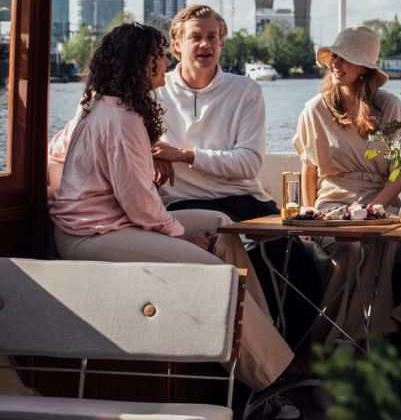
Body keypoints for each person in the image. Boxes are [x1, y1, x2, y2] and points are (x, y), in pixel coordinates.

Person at [47, 23, 295, 402]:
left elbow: (63, 153)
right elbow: (140, 203)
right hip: (93, 235)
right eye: (159, 54)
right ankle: (271, 380)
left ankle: (262, 342)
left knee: (221, 225)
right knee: (217, 274)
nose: (166, 61)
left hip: (116, 223)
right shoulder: (120, 117)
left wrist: (142, 156)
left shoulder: (101, 105)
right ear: (141, 63)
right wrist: (180, 236)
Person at [151, 4, 321, 358]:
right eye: (195, 37)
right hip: (184, 203)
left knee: (298, 262)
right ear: (176, 44)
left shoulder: (245, 91)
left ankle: (299, 360)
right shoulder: (154, 91)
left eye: (212, 37)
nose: (205, 45)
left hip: (243, 199)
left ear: (221, 44)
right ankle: (257, 363)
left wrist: (183, 155)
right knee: (246, 268)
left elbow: (247, 164)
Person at [293, 25, 401, 342]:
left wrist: (375, 207)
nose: (336, 64)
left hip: (381, 201)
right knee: (351, 244)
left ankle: (326, 342)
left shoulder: (390, 107)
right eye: (334, 56)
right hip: (332, 202)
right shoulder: (315, 109)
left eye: (346, 58)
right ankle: (358, 338)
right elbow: (309, 169)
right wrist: (306, 214)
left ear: (366, 69)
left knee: (376, 238)